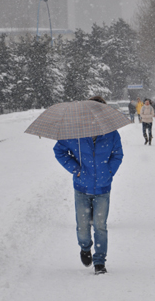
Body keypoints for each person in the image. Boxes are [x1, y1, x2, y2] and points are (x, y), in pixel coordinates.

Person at [53, 96, 124, 275]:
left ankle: (100, 261)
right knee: (82, 226)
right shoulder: (74, 132)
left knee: (100, 225)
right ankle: (85, 247)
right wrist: (76, 169)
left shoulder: (111, 133)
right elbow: (59, 151)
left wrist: (109, 172)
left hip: (103, 188)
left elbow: (118, 155)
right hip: (82, 188)